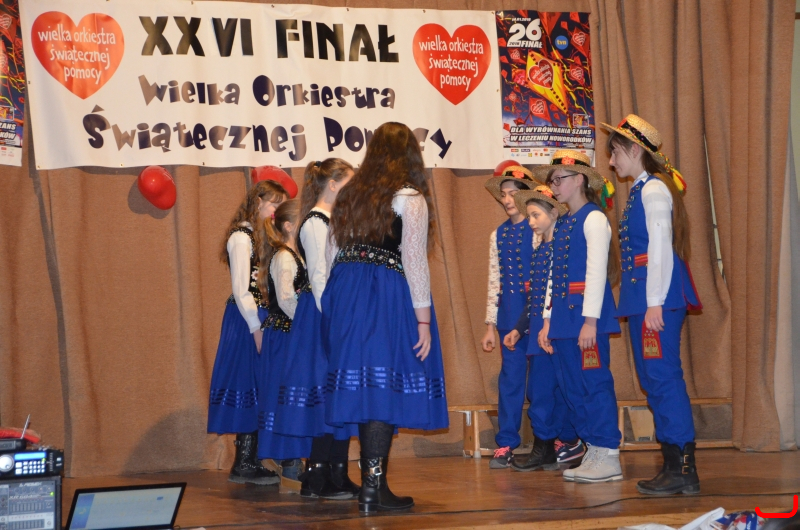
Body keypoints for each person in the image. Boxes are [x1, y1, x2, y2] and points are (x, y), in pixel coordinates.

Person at [322, 122, 448, 514]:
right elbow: (414, 262)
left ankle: (372, 486)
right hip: (384, 291)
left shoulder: (349, 193)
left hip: (345, 289)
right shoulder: (409, 197)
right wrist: (423, 321)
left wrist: (332, 302)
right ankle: (373, 488)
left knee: (364, 383)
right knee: (380, 384)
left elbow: (330, 251)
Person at [601, 115, 702, 495]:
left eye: (615, 152)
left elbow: (660, 250)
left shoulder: (654, 190)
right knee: (653, 379)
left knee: (663, 378)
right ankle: (674, 464)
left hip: (655, 299)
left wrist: (655, 303)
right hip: (645, 299)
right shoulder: (642, 189)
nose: (611, 161)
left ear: (634, 149)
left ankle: (683, 468)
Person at [533, 149, 623, 484]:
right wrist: (547, 320)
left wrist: (590, 322)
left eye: (559, 179)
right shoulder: (564, 222)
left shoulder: (594, 218)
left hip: (585, 320)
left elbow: (596, 273)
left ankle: (607, 453)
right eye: (552, 181)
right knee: (572, 388)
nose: (554, 186)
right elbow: (553, 277)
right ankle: (592, 450)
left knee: (594, 384)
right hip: (563, 322)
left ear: (580, 179)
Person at [272, 159, 359, 501]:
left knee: (338, 394)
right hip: (322, 315)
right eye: (349, 182)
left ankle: (338, 471)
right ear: (333, 184)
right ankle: (318, 475)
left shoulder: (335, 220)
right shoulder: (314, 222)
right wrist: (334, 323)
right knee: (324, 393)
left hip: (334, 313)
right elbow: (320, 278)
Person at [207, 180, 287, 485]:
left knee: (260, 384)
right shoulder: (242, 237)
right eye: (274, 203)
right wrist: (256, 328)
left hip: (259, 315)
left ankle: (251, 458)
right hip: (246, 319)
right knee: (248, 381)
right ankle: (243, 462)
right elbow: (241, 289)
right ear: (258, 202)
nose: (277, 209)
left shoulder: (262, 235)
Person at [502, 186, 583, 471]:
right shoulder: (540, 251)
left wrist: (548, 325)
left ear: (554, 213)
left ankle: (554, 443)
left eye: (536, 215)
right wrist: (518, 328)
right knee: (539, 391)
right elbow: (534, 298)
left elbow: (556, 294)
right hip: (538, 332)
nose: (531, 221)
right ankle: (545, 445)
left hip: (553, 332)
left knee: (554, 391)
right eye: (529, 216)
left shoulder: (560, 249)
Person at [481, 166, 537, 469]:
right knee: (511, 380)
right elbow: (495, 281)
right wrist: (490, 325)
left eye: (513, 193)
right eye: (503, 195)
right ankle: (506, 443)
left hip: (537, 317)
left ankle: (554, 439)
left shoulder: (539, 227)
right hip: (507, 317)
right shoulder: (498, 234)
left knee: (542, 382)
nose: (507, 200)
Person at [255, 199, 311, 485]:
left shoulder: (295, 256)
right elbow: (288, 298)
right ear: (289, 226)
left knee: (292, 395)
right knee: (285, 395)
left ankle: (294, 460)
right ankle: (289, 462)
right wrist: (307, 324)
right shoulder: (284, 257)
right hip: (286, 336)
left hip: (290, 334)